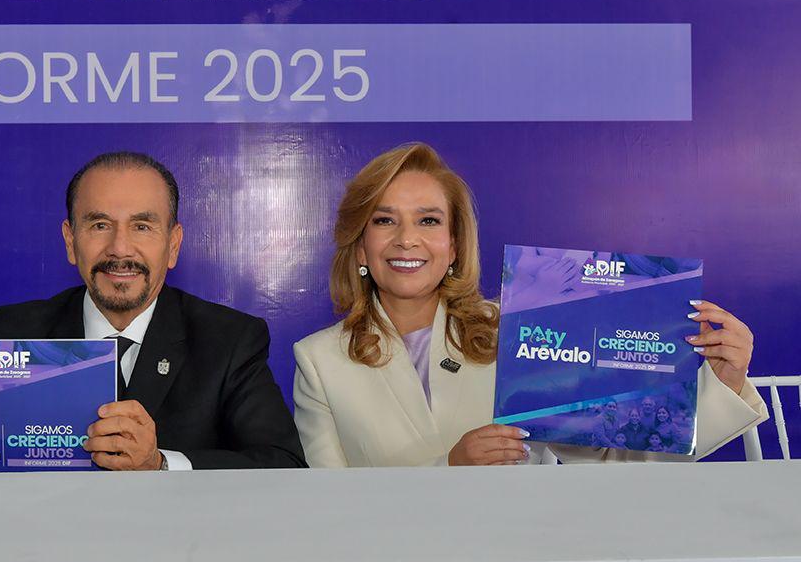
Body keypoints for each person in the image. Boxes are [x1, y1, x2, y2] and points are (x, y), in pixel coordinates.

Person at [292, 143, 768, 467]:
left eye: (429, 220)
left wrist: (723, 382)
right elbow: (329, 510)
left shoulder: (519, 330)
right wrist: (449, 468)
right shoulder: (319, 362)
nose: (407, 239)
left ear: (454, 246)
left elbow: (619, 463)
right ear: (360, 247)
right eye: (384, 220)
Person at [0, 151, 306, 472]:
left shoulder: (229, 340)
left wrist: (159, 464)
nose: (120, 248)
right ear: (70, 240)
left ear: (173, 245)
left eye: (142, 226)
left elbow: (283, 465)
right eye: (99, 225)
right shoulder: (18, 330)